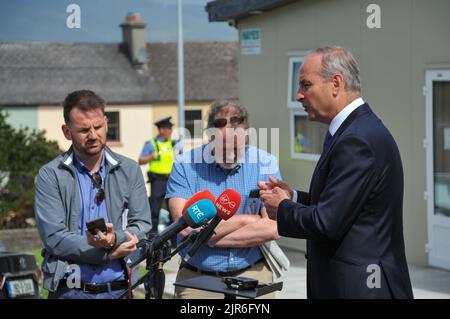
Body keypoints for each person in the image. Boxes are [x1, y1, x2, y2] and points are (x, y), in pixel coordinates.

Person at [259, 46, 414, 299]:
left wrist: (283, 207)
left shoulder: (357, 139)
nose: (298, 95)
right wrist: (294, 197)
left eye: (306, 85)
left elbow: (327, 223)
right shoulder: (353, 131)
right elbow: (343, 206)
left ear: (336, 83)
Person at [35, 90, 151, 299]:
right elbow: (54, 238)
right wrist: (105, 254)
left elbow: (142, 225)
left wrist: (115, 238)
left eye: (98, 127)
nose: (93, 135)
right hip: (70, 291)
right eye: (83, 130)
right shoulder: (50, 175)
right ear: (67, 131)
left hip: (119, 290)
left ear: (106, 123)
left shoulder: (130, 169)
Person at [166, 100, 284, 299]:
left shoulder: (266, 163)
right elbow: (185, 227)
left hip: (253, 275)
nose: (229, 153)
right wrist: (250, 220)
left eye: (236, 147)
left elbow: (273, 227)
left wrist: (207, 238)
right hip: (197, 280)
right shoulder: (184, 165)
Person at [139, 116, 179, 236]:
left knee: (173, 210)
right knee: (155, 210)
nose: (169, 131)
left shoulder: (173, 144)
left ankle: (173, 238)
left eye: (170, 129)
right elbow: (141, 160)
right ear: (161, 130)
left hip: (172, 180)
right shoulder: (152, 144)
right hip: (158, 181)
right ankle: (152, 235)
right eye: (167, 129)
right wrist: (150, 156)